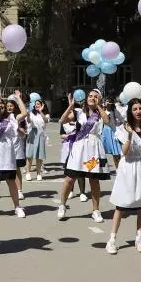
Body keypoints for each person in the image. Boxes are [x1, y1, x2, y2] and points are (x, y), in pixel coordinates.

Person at [106, 98, 141, 254]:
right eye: (135, 109)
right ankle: (112, 240)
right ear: (130, 112)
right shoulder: (123, 128)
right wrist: (130, 134)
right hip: (129, 169)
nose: (138, 111)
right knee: (121, 206)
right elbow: (124, 152)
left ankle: (139, 238)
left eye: (140, 108)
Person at [59, 89, 111, 222]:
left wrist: (99, 106)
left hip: (94, 149)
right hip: (79, 148)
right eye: (90, 96)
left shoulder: (100, 113)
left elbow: (107, 121)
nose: (92, 98)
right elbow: (62, 120)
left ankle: (96, 210)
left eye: (95, 96)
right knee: (70, 179)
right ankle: (62, 206)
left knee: (94, 181)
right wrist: (70, 106)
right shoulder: (78, 112)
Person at [0, 92, 25, 218]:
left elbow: (24, 113)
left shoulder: (12, 118)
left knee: (11, 182)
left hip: (8, 157)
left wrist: (18, 98)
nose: (0, 105)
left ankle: (17, 207)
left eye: (1, 103)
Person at [59, 94, 87, 202]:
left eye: (71, 112)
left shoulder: (81, 121)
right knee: (70, 171)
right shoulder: (64, 123)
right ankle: (70, 190)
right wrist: (68, 136)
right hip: (68, 148)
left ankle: (82, 192)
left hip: (79, 147)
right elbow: (61, 131)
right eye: (68, 112)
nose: (69, 114)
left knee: (80, 170)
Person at [5, 96, 29, 199]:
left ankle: (19, 190)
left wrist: (18, 98)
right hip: (5, 148)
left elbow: (25, 113)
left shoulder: (16, 117)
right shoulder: (2, 117)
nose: (9, 108)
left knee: (16, 169)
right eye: (7, 106)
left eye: (11, 106)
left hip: (16, 146)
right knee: (3, 170)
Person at [25, 99, 50, 181]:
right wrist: (28, 115)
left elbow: (46, 121)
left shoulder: (46, 114)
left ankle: (39, 173)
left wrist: (41, 112)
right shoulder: (32, 113)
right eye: (35, 104)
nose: (36, 105)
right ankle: (28, 173)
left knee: (39, 156)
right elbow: (29, 121)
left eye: (38, 104)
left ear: (42, 105)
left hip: (41, 134)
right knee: (30, 155)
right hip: (33, 133)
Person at [102, 97, 123, 168]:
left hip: (113, 131)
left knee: (116, 151)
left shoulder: (114, 111)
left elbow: (121, 119)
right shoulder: (103, 111)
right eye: (107, 102)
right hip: (106, 132)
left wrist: (119, 124)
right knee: (108, 151)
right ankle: (115, 167)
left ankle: (119, 167)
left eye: (109, 102)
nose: (108, 103)